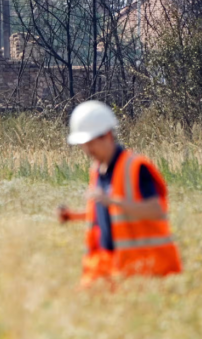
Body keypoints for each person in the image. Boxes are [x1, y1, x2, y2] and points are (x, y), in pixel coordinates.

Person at [57, 101, 182, 286]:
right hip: (113, 269)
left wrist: (113, 202)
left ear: (107, 135)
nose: (87, 150)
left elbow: (157, 210)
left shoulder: (136, 167)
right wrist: (72, 216)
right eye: (83, 145)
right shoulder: (97, 171)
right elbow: (108, 215)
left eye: (91, 143)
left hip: (146, 270)